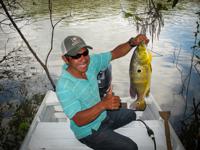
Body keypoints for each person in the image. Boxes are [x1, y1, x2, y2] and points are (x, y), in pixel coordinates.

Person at [56, 34, 149, 150]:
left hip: (102, 115)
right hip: (88, 131)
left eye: (85, 53)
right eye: (76, 56)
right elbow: (78, 120)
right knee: (131, 148)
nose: (83, 59)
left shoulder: (90, 64)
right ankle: (105, 135)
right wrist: (104, 104)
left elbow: (114, 53)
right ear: (65, 59)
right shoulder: (63, 86)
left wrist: (132, 43)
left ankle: (108, 130)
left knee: (132, 114)